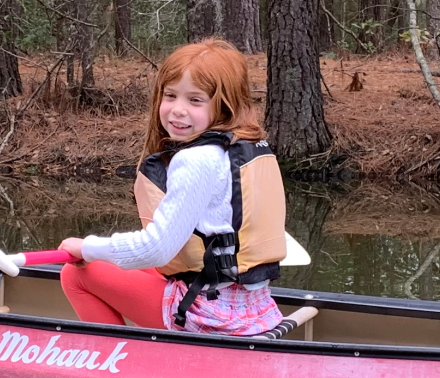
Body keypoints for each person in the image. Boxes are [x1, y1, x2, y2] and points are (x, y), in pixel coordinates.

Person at [53, 39, 291, 335]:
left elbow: (156, 248)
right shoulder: (249, 147)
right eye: (170, 96)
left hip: (210, 314)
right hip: (253, 307)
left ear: (224, 104)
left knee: (78, 273)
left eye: (195, 100)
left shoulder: (196, 159)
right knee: (131, 265)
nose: (177, 110)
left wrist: (86, 247)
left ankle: (116, 364)